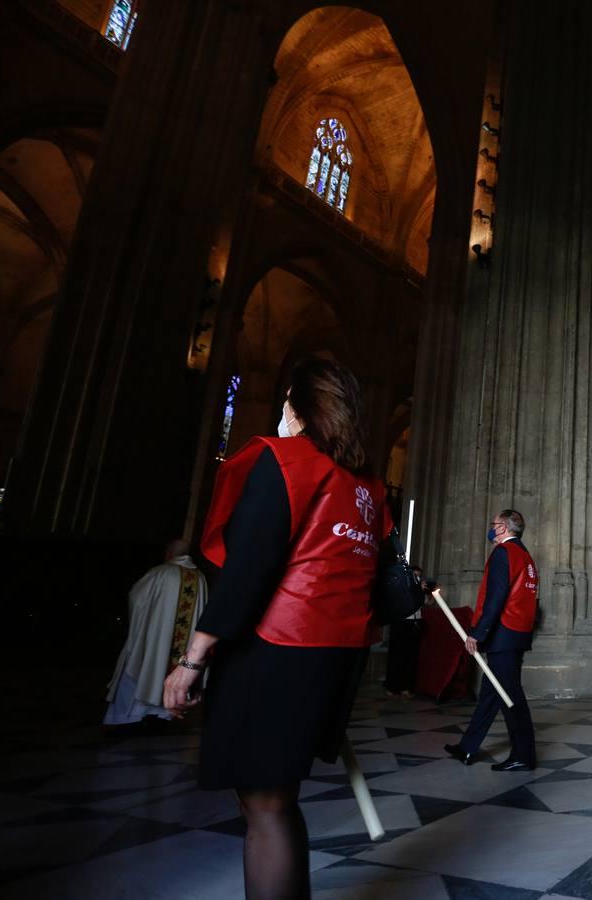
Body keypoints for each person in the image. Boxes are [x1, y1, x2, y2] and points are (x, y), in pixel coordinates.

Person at [162, 359, 389, 899]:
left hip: (276, 648)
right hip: (332, 656)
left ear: (299, 407)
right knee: (277, 802)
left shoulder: (286, 461)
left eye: (287, 402)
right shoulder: (370, 489)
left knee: (263, 808)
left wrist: (193, 658)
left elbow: (250, 568)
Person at [446, 509, 539, 771]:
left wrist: (477, 632)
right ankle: (468, 747)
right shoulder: (526, 556)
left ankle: (524, 755)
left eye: (494, 524)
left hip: (503, 634)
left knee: (510, 696)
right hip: (517, 634)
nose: (491, 528)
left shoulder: (503, 553)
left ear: (502, 528)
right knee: (491, 694)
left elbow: (496, 598)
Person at [104, 539, 208, 727]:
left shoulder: (160, 572)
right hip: (184, 647)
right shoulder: (200, 578)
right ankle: (163, 715)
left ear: (168, 554)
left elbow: (136, 599)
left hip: (154, 642)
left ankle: (128, 718)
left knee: (146, 666)